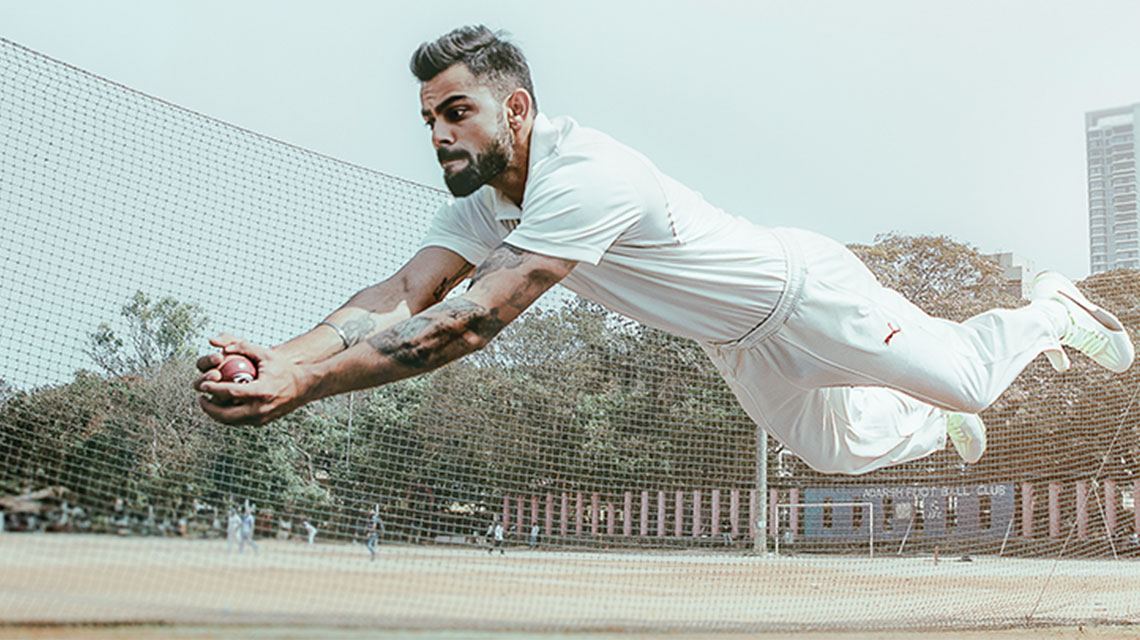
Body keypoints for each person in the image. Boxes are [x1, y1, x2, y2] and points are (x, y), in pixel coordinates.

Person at [194, 25, 1134, 476]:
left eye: (456, 111)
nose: (439, 133)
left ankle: (1048, 311)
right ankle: (933, 427)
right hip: (737, 344)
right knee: (837, 455)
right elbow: (403, 293)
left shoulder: (585, 174)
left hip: (805, 293)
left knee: (967, 378)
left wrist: (304, 388)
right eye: (428, 118)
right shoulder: (484, 205)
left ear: (515, 109)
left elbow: (467, 324)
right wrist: (282, 356)